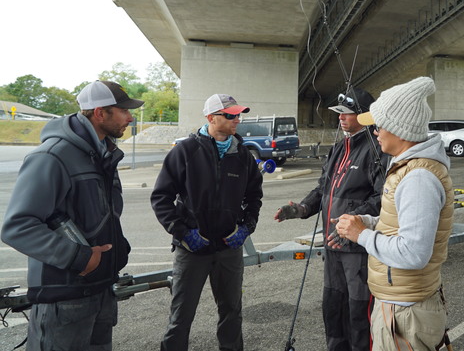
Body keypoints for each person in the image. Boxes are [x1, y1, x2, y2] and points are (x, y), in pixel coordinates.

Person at [1, 80, 143, 350]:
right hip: (64, 299)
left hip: (100, 291)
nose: (130, 117)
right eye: (123, 110)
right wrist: (80, 259)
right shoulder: (52, 156)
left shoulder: (102, 155)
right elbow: (17, 227)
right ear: (100, 113)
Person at [331, 76, 454, 351]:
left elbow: (413, 253)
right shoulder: (410, 169)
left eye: (378, 126)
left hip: (405, 312)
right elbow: (399, 224)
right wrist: (369, 222)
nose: (375, 132)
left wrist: (361, 235)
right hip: (399, 303)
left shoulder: (418, 177)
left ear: (398, 129)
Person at [274, 87, 386, 351]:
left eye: (347, 113)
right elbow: (322, 189)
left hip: (358, 249)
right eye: (339, 114)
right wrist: (302, 208)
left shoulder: (377, 149)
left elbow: (382, 198)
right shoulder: (338, 148)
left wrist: (352, 222)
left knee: (359, 314)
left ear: (365, 116)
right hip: (332, 247)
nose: (341, 118)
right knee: (333, 309)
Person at [151, 93, 263, 351]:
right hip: (191, 250)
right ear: (211, 118)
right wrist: (182, 233)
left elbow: (254, 197)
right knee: (181, 317)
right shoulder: (185, 152)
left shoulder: (243, 155)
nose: (237, 119)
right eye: (230, 115)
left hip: (228, 250)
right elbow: (161, 198)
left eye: (238, 114)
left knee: (232, 313)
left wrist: (246, 228)